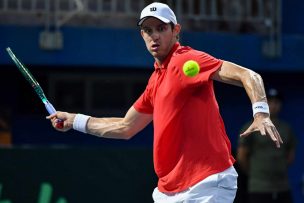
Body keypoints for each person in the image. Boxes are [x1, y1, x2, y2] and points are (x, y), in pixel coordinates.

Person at [47, 3, 282, 203]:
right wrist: (74, 120)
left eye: (161, 28)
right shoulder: (155, 82)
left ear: (175, 30)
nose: (154, 36)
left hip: (207, 184)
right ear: (142, 36)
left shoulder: (187, 60)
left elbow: (248, 75)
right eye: (148, 30)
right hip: (167, 191)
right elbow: (125, 127)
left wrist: (261, 113)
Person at [237, 88, 296, 203]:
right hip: (259, 187)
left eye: (276, 102)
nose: (273, 105)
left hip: (282, 186)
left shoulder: (286, 128)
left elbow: (290, 155)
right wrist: (255, 173)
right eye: (269, 102)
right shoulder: (251, 127)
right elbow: (241, 156)